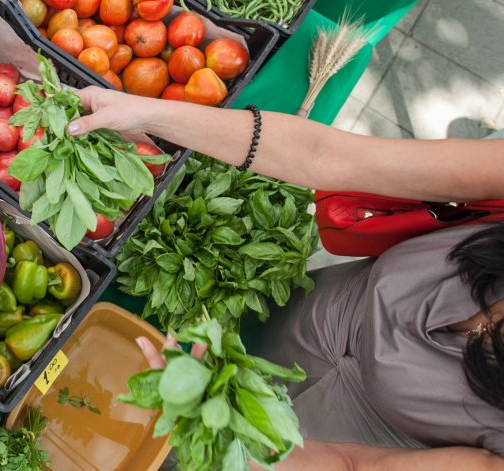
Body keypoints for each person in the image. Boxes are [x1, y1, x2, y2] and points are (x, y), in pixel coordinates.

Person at [69, 86, 504, 470]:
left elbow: (351, 464)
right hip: (318, 313)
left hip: (349, 435)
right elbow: (330, 156)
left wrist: (228, 438)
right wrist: (147, 113)